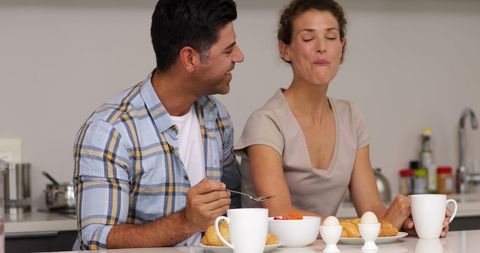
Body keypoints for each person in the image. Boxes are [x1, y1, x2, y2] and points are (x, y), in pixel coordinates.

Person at [234, 0, 451, 237]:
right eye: (308, 38)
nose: (321, 47)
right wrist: (371, 227)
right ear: (285, 49)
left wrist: (410, 219)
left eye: (331, 37)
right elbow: (281, 214)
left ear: (342, 47)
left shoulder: (351, 117)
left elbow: (371, 209)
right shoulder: (266, 122)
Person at [73, 0, 244, 249]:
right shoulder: (110, 131)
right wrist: (186, 222)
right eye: (228, 51)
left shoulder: (216, 116)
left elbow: (233, 202)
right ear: (190, 58)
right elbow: (97, 240)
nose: (240, 56)